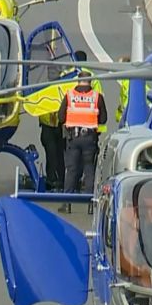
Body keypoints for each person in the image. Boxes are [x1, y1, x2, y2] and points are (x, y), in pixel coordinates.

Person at [57, 68, 107, 213]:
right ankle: (91, 204)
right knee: (89, 169)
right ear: (90, 82)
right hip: (90, 138)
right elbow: (103, 118)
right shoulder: (97, 97)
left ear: (78, 81)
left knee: (71, 170)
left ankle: (67, 203)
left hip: (73, 137)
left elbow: (61, 117)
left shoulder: (69, 95)